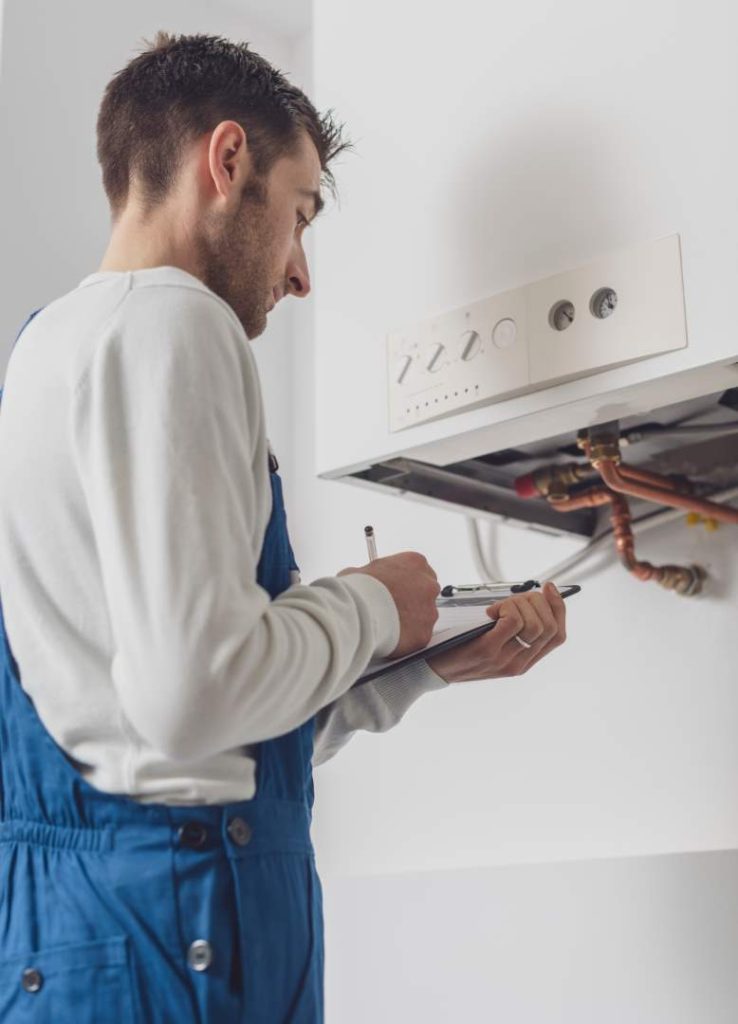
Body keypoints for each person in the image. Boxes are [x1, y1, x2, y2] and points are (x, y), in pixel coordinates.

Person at [0, 31, 567, 1023]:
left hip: (88, 934)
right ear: (227, 162)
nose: (301, 273)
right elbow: (198, 695)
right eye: (300, 215)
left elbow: (183, 748)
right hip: (181, 937)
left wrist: (426, 664)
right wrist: (374, 605)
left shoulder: (47, 350)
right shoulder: (174, 321)